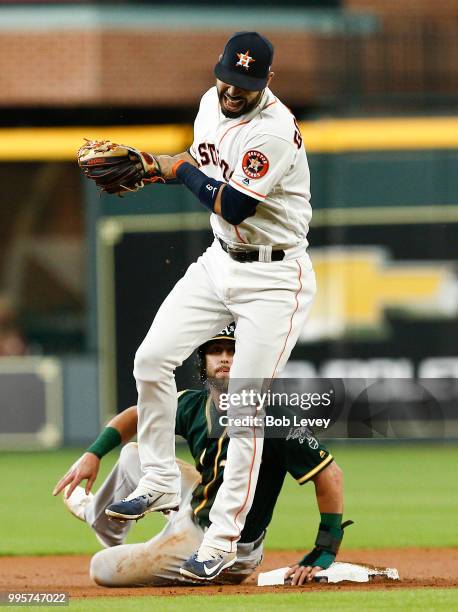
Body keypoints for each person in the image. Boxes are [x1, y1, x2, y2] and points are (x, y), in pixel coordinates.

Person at [104, 31, 317, 580]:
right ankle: (154, 475)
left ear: (266, 83)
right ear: (217, 69)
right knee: (150, 359)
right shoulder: (208, 103)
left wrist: (174, 169)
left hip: (275, 276)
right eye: (228, 79)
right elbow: (199, 167)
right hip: (220, 260)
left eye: (246, 85)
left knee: (243, 408)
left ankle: (222, 540)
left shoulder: (271, 130)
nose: (232, 92)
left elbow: (238, 203)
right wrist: (154, 168)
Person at [53, 327, 348, 587]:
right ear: (203, 361)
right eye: (215, 350)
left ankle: (158, 544)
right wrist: (94, 453)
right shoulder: (193, 405)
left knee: (101, 567)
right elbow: (135, 416)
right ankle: (100, 520)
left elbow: (330, 474)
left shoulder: (274, 417)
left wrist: (326, 547)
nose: (224, 358)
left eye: (233, 351)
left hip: (225, 546)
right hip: (199, 503)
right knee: (134, 455)